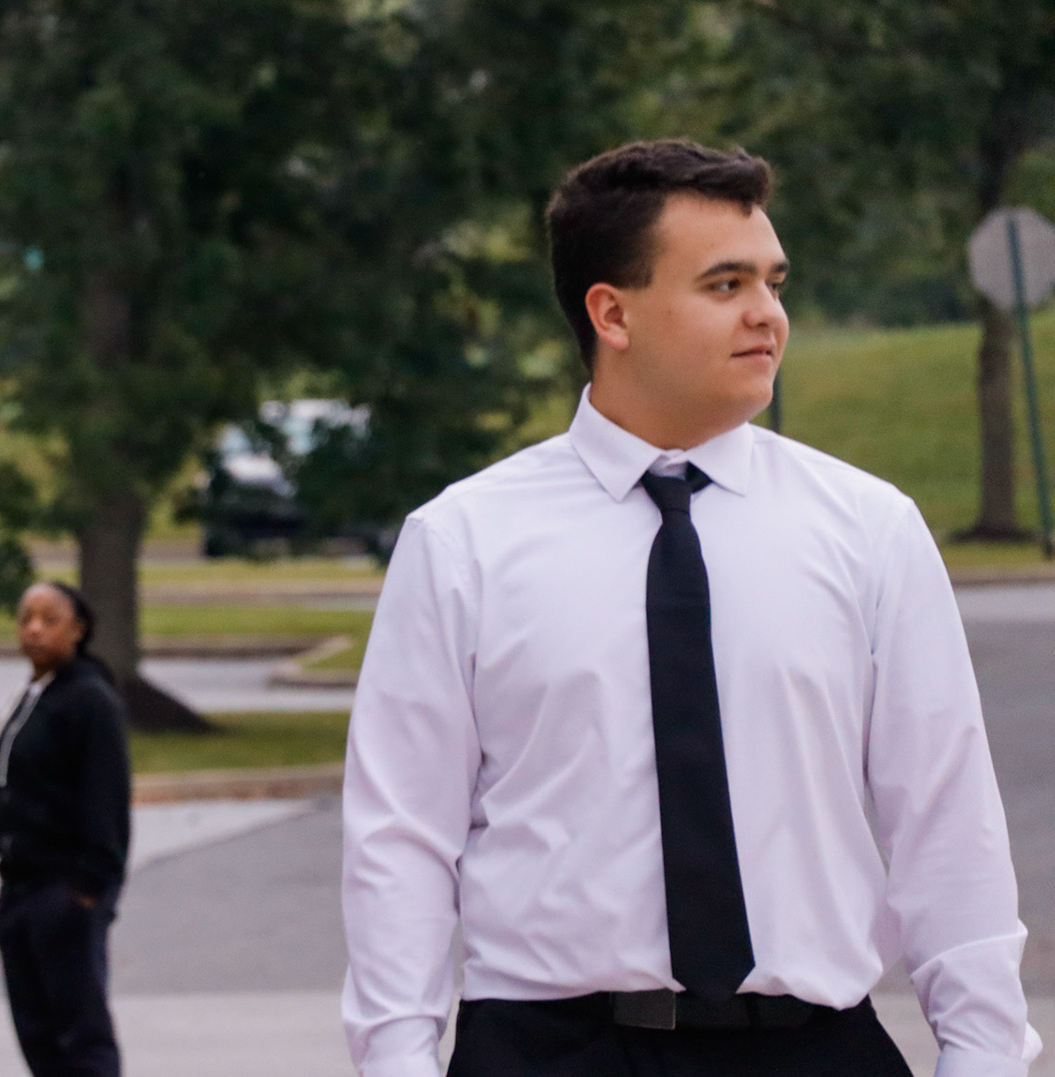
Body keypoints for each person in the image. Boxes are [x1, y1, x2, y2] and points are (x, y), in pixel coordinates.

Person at [342, 140, 1040, 1077]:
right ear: (612, 313)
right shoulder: (462, 541)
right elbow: (400, 838)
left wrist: (985, 1054)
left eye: (773, 283)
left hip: (813, 1049)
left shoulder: (870, 529)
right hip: (548, 1052)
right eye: (725, 285)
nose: (768, 315)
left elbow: (946, 814)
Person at [0, 580, 132, 1077]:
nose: (34, 629)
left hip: (64, 888)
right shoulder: (35, 694)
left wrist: (88, 890)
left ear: (79, 628)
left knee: (80, 1033)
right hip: (19, 884)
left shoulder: (90, 699)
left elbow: (107, 800)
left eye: (49, 619)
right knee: (38, 1031)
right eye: (26, 618)